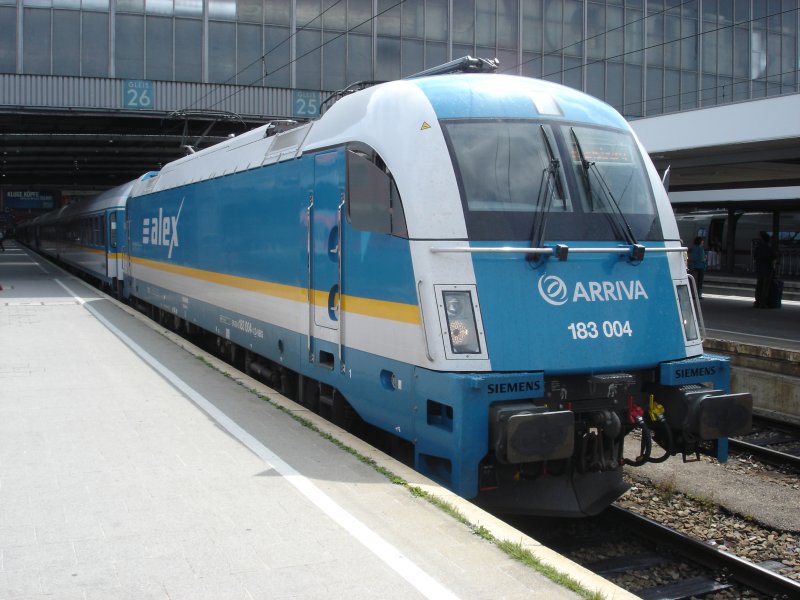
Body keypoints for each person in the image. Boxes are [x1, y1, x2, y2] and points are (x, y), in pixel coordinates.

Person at [753, 231, 777, 308]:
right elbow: (774, 258)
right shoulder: (769, 248)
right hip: (767, 269)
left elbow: (755, 257)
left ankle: (757, 301)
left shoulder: (758, 248)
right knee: (765, 287)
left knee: (759, 286)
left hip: (759, 269)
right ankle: (763, 303)